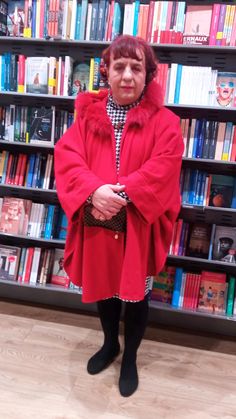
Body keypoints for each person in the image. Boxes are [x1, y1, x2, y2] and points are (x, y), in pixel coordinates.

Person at [54, 35, 184, 397]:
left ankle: (130, 358)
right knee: (105, 289)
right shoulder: (86, 116)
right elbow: (68, 157)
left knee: (136, 294)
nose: (127, 75)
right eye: (120, 67)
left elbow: (164, 168)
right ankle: (111, 343)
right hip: (97, 218)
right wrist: (93, 191)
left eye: (136, 68)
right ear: (106, 72)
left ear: (148, 75)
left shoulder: (167, 123)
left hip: (138, 224)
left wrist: (118, 194)